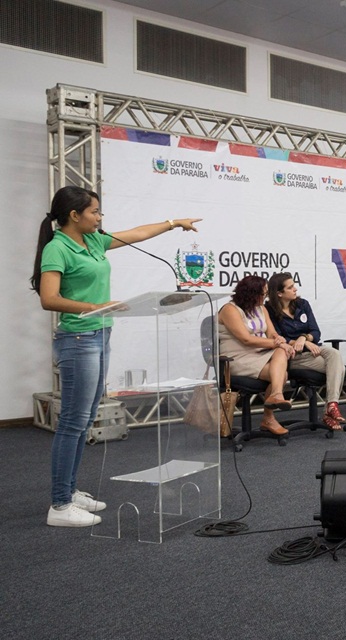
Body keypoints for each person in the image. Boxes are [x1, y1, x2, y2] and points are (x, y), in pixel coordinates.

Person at [31, 185, 200, 527]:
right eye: (94, 211)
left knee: (84, 420)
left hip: (99, 335)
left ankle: (70, 490)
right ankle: (60, 505)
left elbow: (137, 233)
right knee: (73, 422)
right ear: (74, 215)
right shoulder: (57, 248)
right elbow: (49, 298)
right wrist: (95, 306)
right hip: (78, 339)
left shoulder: (93, 241)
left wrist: (172, 223)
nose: (99, 217)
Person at [265, 273, 346, 430]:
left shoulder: (302, 304)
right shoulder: (269, 310)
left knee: (334, 354)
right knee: (340, 369)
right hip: (292, 356)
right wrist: (300, 342)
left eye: (294, 285)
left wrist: (304, 338)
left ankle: (332, 405)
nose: (295, 289)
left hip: (311, 349)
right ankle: (328, 412)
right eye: (290, 287)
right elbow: (277, 337)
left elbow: (315, 331)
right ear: (279, 293)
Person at [218, 275, 295, 436]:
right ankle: (269, 417)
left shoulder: (261, 308)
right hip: (235, 359)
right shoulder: (229, 310)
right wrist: (278, 343)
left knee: (281, 354)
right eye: (263, 294)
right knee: (282, 374)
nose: (265, 297)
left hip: (258, 354)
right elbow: (246, 339)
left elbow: (271, 333)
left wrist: (278, 339)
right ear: (250, 294)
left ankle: (276, 395)